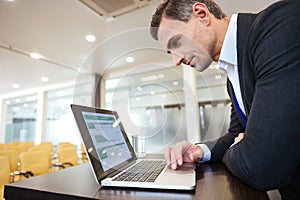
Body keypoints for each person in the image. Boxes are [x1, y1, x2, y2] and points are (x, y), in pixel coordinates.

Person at [149, 0, 300, 199]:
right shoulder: (232, 77)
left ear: (201, 14)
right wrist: (199, 150)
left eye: (176, 42)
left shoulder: (275, 26)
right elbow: (235, 134)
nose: (176, 60)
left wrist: (237, 150)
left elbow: (262, 166)